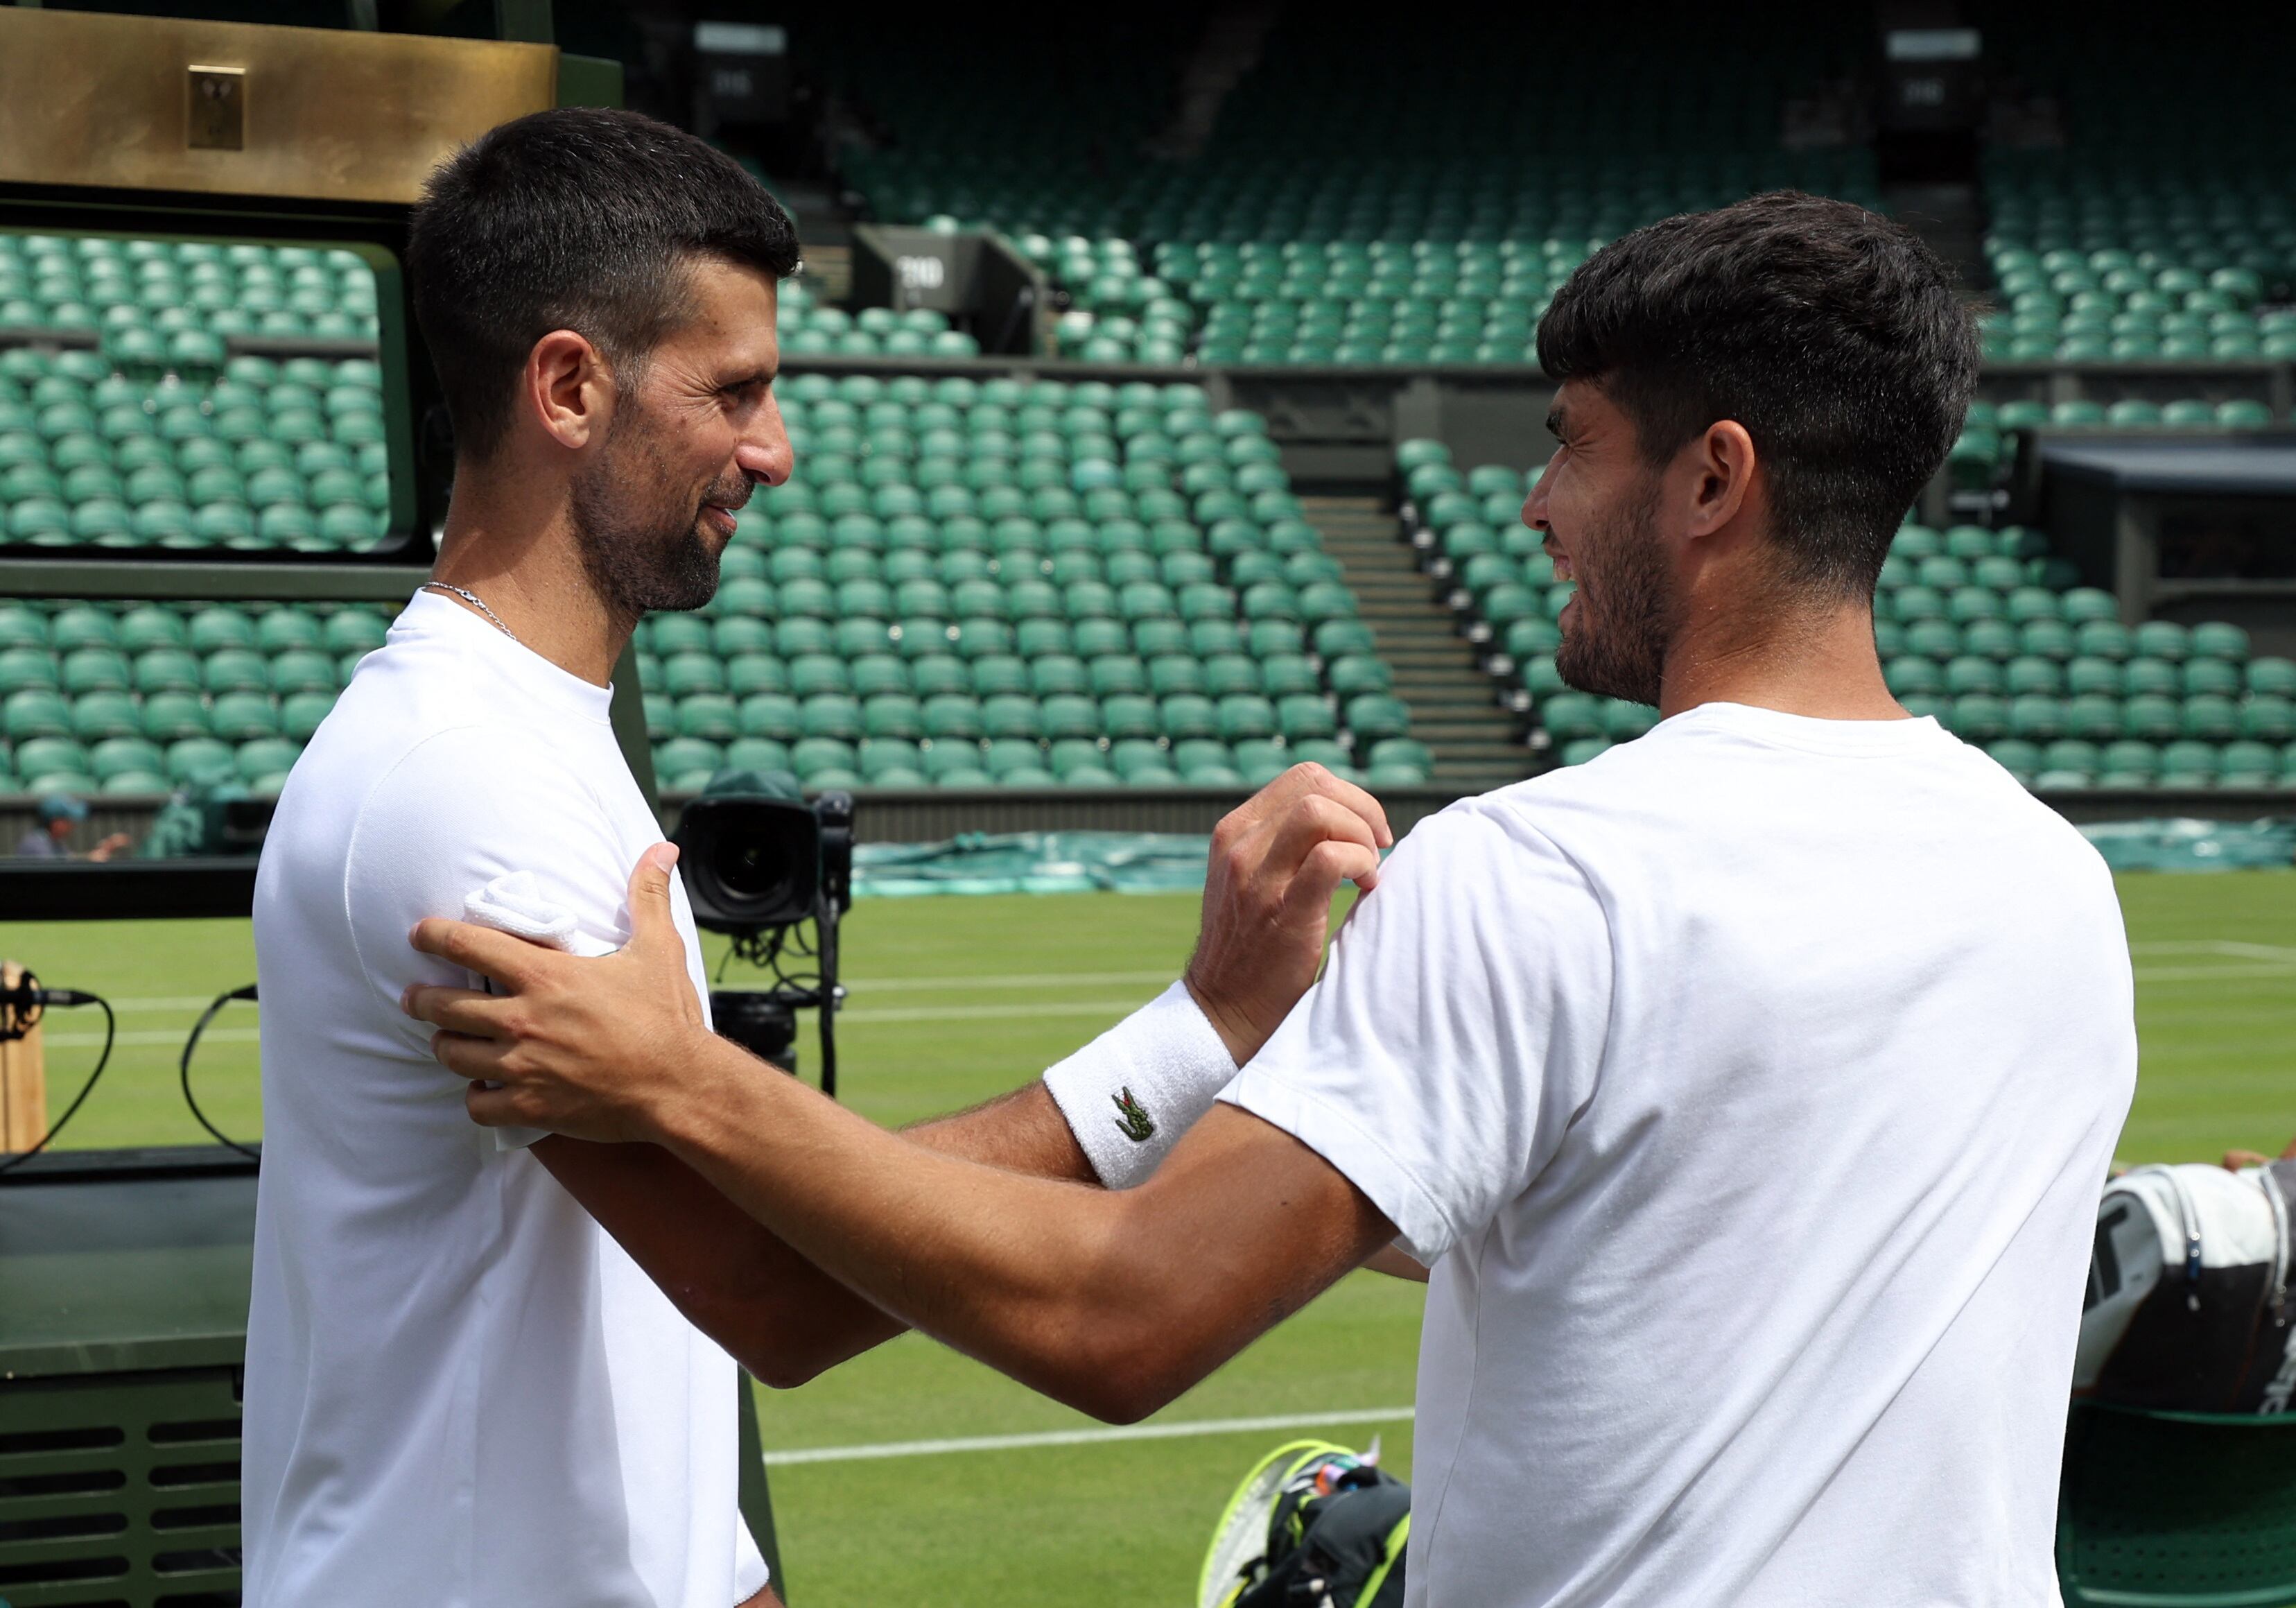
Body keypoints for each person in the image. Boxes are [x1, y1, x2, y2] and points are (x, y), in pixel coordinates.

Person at [406, 191, 2141, 1606]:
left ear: (1712, 480)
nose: (1534, 501)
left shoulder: (1546, 869)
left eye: (1573, 446)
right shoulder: (2054, 883)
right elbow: (1645, 1221)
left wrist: (683, 1080)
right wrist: (1240, 1047)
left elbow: (1118, 1318)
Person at [245, 105, 1393, 1608]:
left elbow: (664, 1339)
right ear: (571, 386)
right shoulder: (465, 786)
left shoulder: (527, 733)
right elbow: (776, 1287)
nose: (772, 452)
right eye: (735, 392)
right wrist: (1196, 1039)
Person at [12, 793, 130, 860]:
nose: (73, 825)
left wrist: (106, 848)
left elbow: (70, 858)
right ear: (56, 823)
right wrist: (90, 859)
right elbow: (55, 869)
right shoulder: (35, 844)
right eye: (69, 821)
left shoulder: (54, 842)